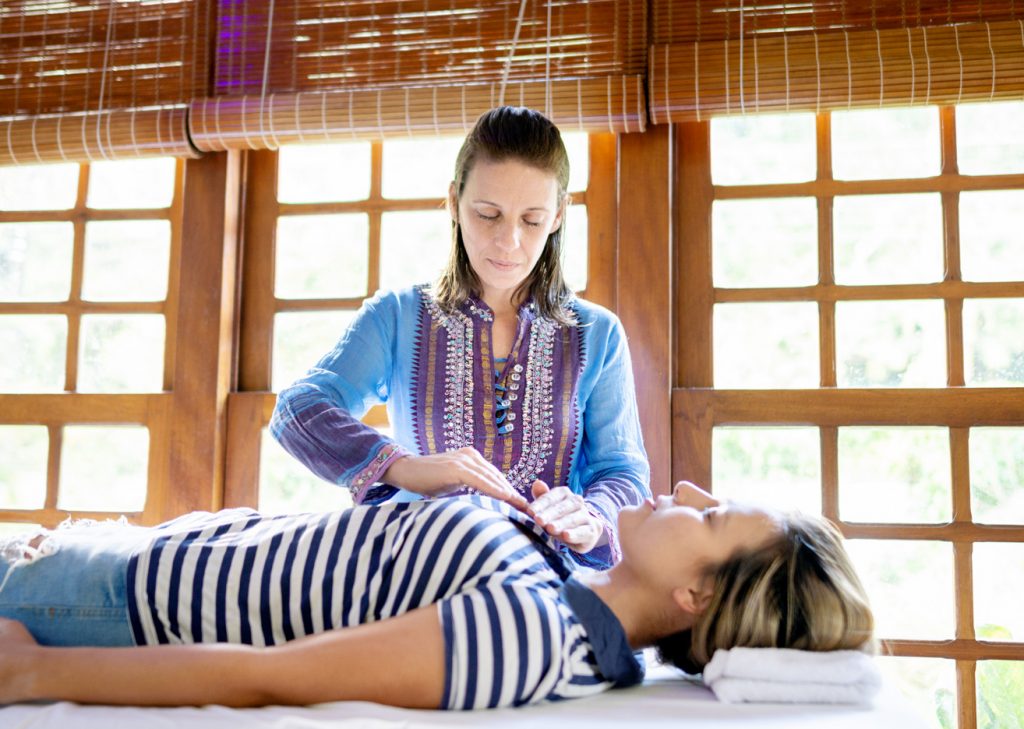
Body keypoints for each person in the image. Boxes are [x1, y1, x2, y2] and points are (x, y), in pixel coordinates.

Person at [0, 482, 874, 710]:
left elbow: (275, 676)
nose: (684, 487)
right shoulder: (565, 588)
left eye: (710, 511)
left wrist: (35, 673)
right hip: (129, 551)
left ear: (695, 593)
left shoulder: (534, 638)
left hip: (105, 602)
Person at [270, 106, 650, 569]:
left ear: (558, 216)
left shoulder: (599, 335)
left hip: (545, 587)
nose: (508, 241)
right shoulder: (396, 316)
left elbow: (623, 473)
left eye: (531, 220)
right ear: (454, 202)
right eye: (488, 214)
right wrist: (403, 467)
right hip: (416, 576)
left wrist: (590, 518)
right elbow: (297, 411)